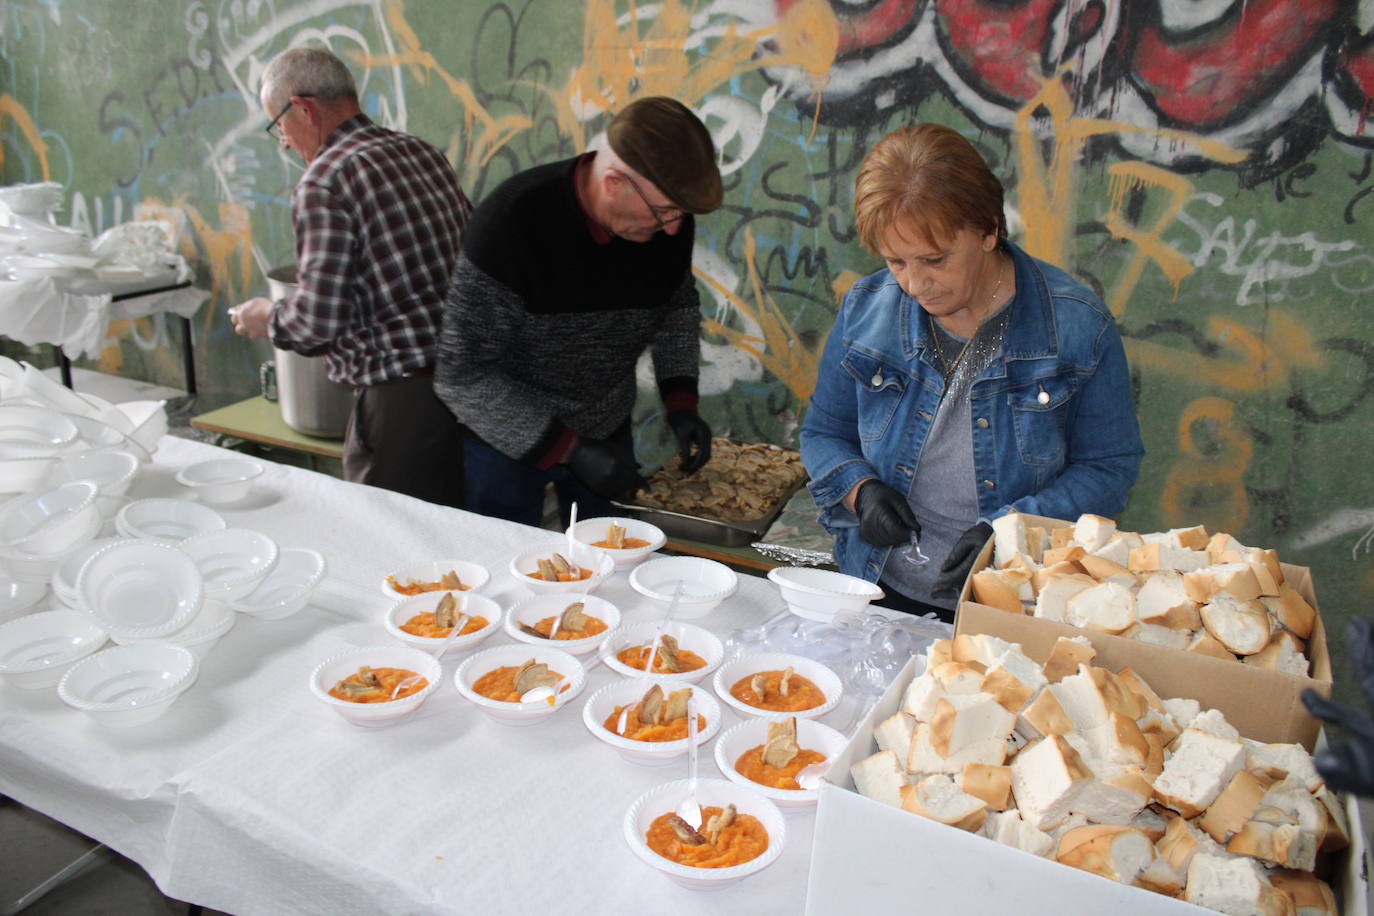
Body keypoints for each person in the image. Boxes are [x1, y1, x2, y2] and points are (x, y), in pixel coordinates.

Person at [799, 123, 1144, 621]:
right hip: (876, 585)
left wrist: (1007, 531)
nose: (915, 284)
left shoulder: (1076, 326)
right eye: (896, 261)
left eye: (934, 259)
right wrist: (859, 491)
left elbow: (1109, 469)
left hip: (1010, 599)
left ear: (988, 230)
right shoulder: (865, 311)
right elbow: (823, 432)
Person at [433, 97, 720, 527]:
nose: (675, 228)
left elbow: (675, 308)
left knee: (610, 560)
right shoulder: (511, 226)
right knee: (510, 559)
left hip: (606, 425)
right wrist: (572, 449)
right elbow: (460, 375)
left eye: (680, 214)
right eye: (664, 212)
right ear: (613, 182)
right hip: (508, 439)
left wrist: (681, 401)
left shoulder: (667, 222)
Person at [229, 46, 473, 508]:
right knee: (453, 532)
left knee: (393, 539)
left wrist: (269, 318)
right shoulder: (419, 151)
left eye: (278, 127)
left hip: (403, 401)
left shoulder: (325, 181)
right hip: (468, 383)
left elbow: (318, 321)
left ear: (302, 108)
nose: (283, 142)